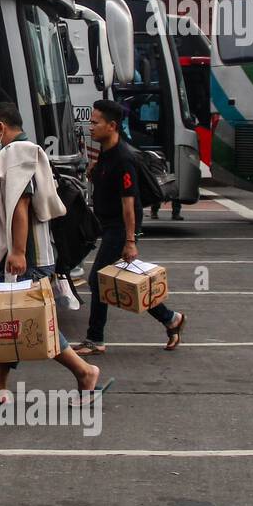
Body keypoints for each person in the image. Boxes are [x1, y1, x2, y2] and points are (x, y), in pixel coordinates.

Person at [0, 103, 106, 406]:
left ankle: (84, 372)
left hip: (25, 255)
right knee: (7, 315)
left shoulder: (17, 154)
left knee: (35, 322)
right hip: (24, 254)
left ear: (1, 127)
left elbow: (20, 205)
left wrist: (16, 251)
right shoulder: (20, 152)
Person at [73, 99, 186, 355]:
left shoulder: (124, 159)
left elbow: (129, 204)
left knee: (99, 279)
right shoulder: (107, 152)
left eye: (95, 122)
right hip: (108, 225)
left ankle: (95, 338)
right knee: (126, 279)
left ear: (112, 126)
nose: (91, 127)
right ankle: (171, 319)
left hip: (119, 228)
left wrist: (130, 240)